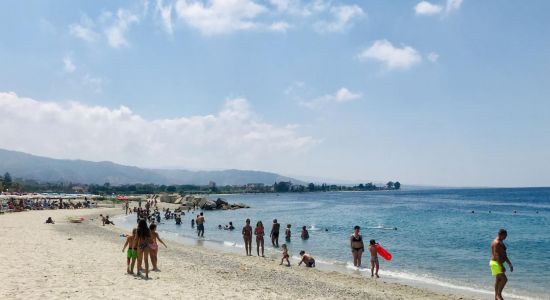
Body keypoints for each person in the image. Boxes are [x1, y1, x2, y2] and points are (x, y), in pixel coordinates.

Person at [491, 229, 513, 300]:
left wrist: (509, 264)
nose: (506, 237)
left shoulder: (500, 242)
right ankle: (498, 295)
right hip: (496, 263)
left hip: (496, 263)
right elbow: (497, 255)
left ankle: (496, 297)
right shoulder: (496, 243)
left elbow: (504, 255)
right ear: (501, 235)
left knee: (498, 280)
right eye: (505, 236)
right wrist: (501, 266)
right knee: (504, 279)